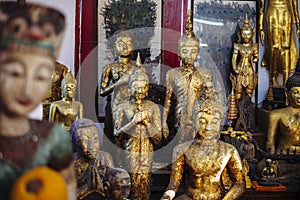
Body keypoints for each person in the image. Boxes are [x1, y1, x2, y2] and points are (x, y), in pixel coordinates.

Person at [0, 2, 76, 200]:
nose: (27, 89)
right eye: (16, 73)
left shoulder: (53, 137)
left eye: (41, 77)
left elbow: (68, 187)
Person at [161, 96, 245, 200]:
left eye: (214, 122)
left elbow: (239, 184)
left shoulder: (228, 150)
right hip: (191, 197)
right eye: (202, 121)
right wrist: (166, 197)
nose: (209, 127)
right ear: (194, 122)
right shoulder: (182, 149)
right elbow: (174, 184)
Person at [162, 10, 212, 142]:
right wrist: (163, 122)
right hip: (179, 116)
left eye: (193, 51)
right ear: (178, 53)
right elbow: (168, 100)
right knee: (180, 144)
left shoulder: (205, 74)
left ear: (198, 53)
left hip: (198, 117)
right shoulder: (172, 74)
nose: (189, 55)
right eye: (185, 51)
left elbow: (210, 100)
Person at [114, 64, 162, 200]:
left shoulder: (153, 108)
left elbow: (158, 137)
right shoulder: (122, 107)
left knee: (145, 180)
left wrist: (147, 123)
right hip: (129, 149)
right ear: (129, 88)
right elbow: (116, 134)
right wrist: (133, 122)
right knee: (131, 180)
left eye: (144, 87)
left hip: (147, 149)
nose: (141, 91)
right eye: (137, 87)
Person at [259, 0, 300, 96]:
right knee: (275, 47)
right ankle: (272, 80)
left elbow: (294, 3)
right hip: (273, 9)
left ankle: (286, 82)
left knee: (286, 47)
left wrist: (298, 25)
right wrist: (260, 26)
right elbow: (261, 4)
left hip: (286, 9)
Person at [70, 118, 114, 200]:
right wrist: (87, 188)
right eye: (85, 141)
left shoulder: (105, 157)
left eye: (95, 139)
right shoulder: (70, 163)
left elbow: (113, 187)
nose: (91, 146)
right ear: (75, 142)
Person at [266, 59, 300, 154]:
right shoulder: (276, 115)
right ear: (287, 93)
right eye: (295, 93)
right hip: (284, 154)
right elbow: (270, 143)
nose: (299, 97)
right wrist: (271, 159)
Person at [232, 13, 258, 101]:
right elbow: (234, 59)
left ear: (251, 35)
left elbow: (256, 56)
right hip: (240, 69)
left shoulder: (253, 46)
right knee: (238, 92)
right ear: (240, 34)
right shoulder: (238, 46)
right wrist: (235, 68)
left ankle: (248, 111)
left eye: (248, 34)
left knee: (249, 92)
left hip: (250, 70)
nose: (246, 37)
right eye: (244, 34)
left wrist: (255, 58)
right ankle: (237, 109)